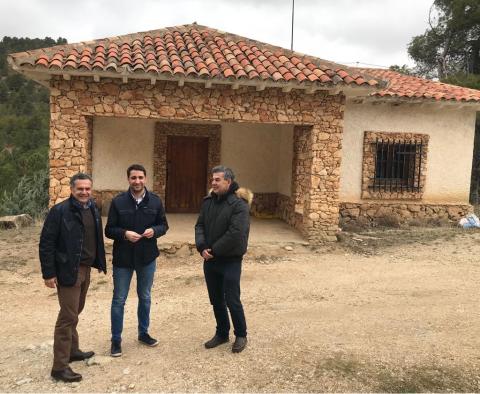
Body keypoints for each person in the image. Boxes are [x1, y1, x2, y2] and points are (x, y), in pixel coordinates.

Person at [39, 173, 107, 382]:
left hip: (86, 268)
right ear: (72, 189)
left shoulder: (92, 208)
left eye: (88, 189)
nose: (84, 192)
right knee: (67, 316)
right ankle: (59, 367)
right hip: (69, 269)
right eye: (80, 189)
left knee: (76, 310)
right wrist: (49, 273)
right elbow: (46, 243)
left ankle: (72, 350)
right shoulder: (59, 211)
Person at [105, 164, 169, 357]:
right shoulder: (118, 202)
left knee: (145, 297)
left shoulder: (156, 201)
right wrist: (124, 234)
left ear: (145, 179)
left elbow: (164, 225)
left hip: (147, 258)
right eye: (133, 178)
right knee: (119, 300)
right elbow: (109, 230)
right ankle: (116, 340)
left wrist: (155, 231)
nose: (137, 181)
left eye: (140, 177)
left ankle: (143, 333)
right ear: (128, 179)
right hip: (123, 260)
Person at [195, 165, 253, 353]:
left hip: (230, 260)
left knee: (232, 299)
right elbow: (200, 225)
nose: (213, 182)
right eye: (212, 179)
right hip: (210, 259)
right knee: (216, 299)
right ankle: (221, 333)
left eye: (217, 180)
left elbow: (235, 233)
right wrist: (202, 247)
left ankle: (241, 335)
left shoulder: (239, 205)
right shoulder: (208, 202)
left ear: (228, 182)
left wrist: (213, 249)